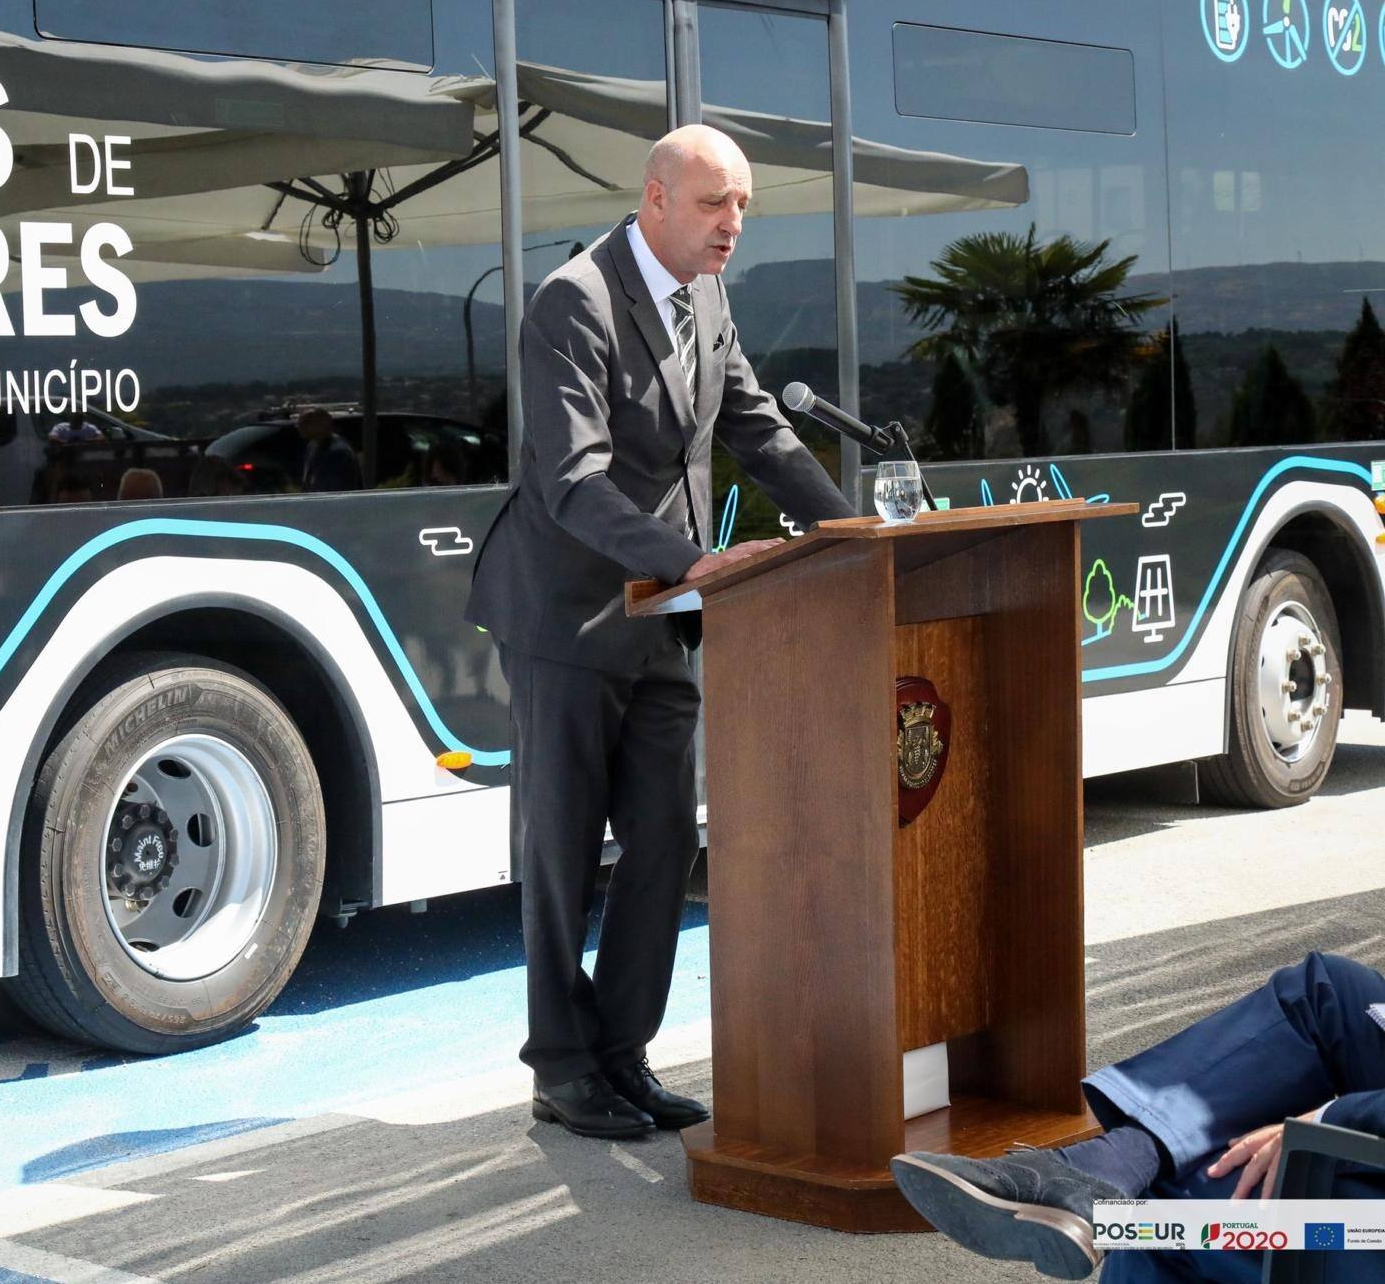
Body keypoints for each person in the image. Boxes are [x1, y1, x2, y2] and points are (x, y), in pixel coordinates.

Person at [464, 124, 853, 1140]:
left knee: (667, 835)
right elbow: (571, 479)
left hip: (661, 615)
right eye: (717, 203)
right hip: (562, 614)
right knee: (556, 850)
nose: (734, 224)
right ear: (655, 200)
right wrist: (684, 560)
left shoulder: (704, 296)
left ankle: (620, 1054)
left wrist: (848, 530)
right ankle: (559, 1067)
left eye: (743, 207)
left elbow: (753, 424)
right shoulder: (571, 302)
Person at [892, 951, 1385, 1282]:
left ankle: (1104, 1191)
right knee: (1329, 989)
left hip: (1371, 1229)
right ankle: (1103, 1169)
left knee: (1167, 1210)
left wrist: (1331, 1117)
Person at [296, 407, 361, 492]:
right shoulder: (312, 446)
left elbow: (339, 489)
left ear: (322, 424)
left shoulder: (339, 453)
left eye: (306, 423)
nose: (299, 426)